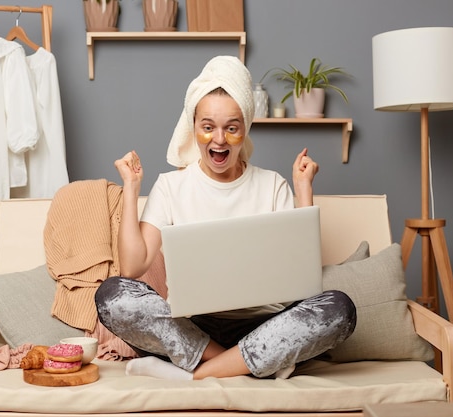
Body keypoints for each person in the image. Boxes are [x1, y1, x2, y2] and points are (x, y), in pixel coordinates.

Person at [95, 56, 356, 381]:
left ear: (245, 127)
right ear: (194, 127)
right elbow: (132, 269)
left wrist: (303, 189)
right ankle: (246, 363)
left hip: (266, 324)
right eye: (208, 127)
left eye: (231, 128)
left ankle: (195, 374)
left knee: (340, 309)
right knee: (112, 296)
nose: (219, 139)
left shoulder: (272, 184)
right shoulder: (171, 186)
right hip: (193, 328)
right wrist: (132, 188)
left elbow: (303, 278)